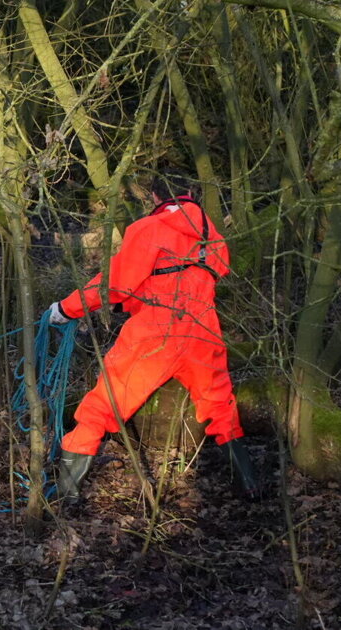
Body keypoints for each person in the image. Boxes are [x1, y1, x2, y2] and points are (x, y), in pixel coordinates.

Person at [46, 176, 259, 499]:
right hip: (203, 330)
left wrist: (67, 308)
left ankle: (66, 492)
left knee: (105, 404)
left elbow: (115, 283)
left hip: (155, 332)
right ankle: (250, 487)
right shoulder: (213, 239)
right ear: (192, 196)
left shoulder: (147, 229)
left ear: (156, 196)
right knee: (220, 405)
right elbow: (178, 280)